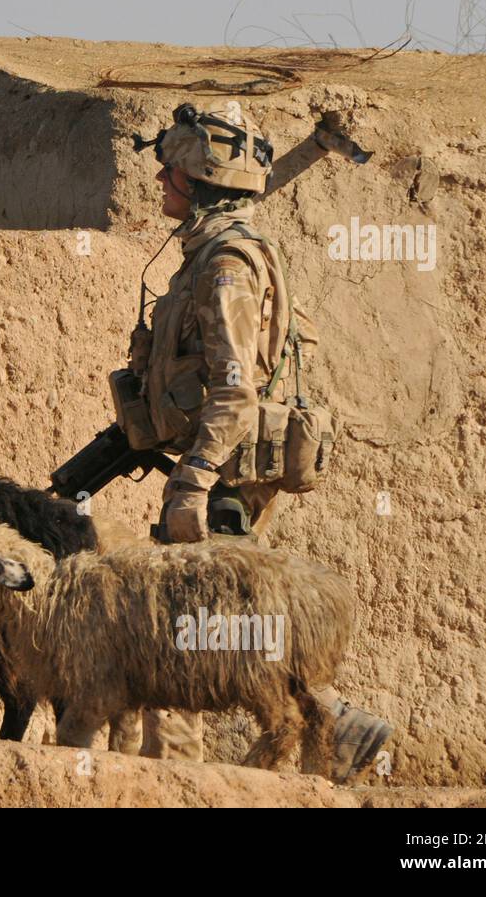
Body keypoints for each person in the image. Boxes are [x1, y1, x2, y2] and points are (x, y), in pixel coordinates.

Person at [136, 103, 392, 782]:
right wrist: (312, 149)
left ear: (201, 185)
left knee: (178, 628)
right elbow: (258, 182)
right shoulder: (221, 243)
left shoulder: (225, 266)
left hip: (223, 477)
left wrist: (190, 480)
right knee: (233, 618)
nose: (160, 178)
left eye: (174, 169)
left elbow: (235, 388)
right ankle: (337, 722)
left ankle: (174, 779)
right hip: (223, 469)